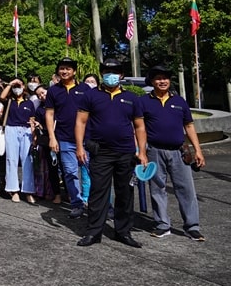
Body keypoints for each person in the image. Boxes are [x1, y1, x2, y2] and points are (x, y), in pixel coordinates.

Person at [75, 60, 148, 248]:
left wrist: (142, 152)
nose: (111, 75)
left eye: (115, 72)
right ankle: (93, 232)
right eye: (107, 71)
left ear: (122, 75)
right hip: (101, 152)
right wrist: (80, 147)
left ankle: (123, 232)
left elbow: (139, 126)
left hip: (126, 153)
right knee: (98, 193)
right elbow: (81, 122)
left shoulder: (132, 98)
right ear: (101, 74)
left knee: (125, 193)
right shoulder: (91, 96)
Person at [140, 64, 206, 241]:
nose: (162, 81)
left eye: (165, 78)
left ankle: (192, 226)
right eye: (158, 78)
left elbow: (189, 126)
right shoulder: (144, 101)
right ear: (152, 81)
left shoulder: (179, 101)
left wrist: (197, 150)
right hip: (154, 151)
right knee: (157, 189)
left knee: (186, 189)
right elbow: (140, 128)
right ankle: (162, 225)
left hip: (178, 151)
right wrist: (142, 152)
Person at [44, 57, 90, 219]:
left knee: (91, 172)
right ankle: (77, 204)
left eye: (68, 69)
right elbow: (49, 114)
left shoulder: (86, 89)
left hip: (87, 139)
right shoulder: (53, 91)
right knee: (70, 173)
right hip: (64, 138)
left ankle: (94, 203)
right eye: (62, 68)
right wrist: (52, 137)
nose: (64, 71)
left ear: (74, 71)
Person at [0, 77, 37, 204]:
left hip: (26, 130)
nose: (17, 88)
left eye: (19, 85)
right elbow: (2, 97)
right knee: (11, 159)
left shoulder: (29, 103)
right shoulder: (9, 101)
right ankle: (13, 190)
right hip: (11, 129)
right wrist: (10, 84)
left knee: (28, 160)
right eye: (15, 86)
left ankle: (28, 191)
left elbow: (32, 120)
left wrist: (34, 136)